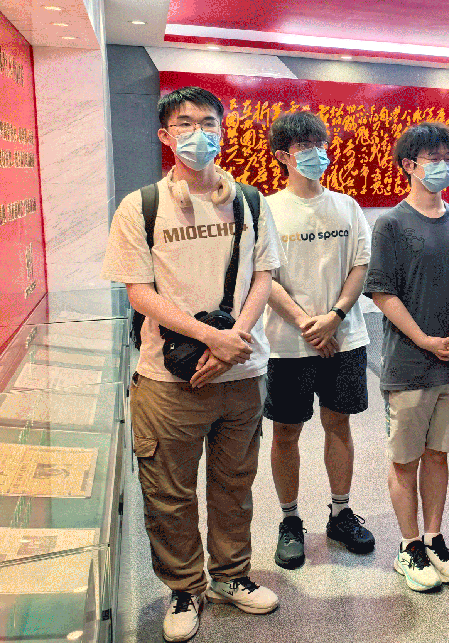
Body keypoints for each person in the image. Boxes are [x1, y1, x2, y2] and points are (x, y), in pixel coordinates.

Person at [102, 86, 282, 642]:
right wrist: (210, 338)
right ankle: (184, 587)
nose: (198, 133)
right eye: (185, 123)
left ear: (222, 132)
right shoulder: (141, 206)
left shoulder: (249, 202)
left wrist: (234, 340)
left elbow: (263, 276)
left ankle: (231, 575)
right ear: (165, 135)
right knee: (169, 491)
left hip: (241, 373)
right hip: (168, 378)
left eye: (208, 123)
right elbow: (139, 292)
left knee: (235, 484)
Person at [363, 122, 449, 593]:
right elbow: (382, 292)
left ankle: (434, 538)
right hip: (410, 365)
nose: (443, 166)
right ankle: (408, 546)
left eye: (447, 158)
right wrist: (424, 339)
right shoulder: (392, 224)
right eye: (432, 158)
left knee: (439, 455)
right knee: (405, 459)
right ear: (409, 165)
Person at [262, 111, 374, 571]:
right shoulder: (268, 209)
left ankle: (341, 513)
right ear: (283, 156)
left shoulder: (347, 206)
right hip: (288, 343)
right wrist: (308, 324)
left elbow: (360, 266)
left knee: (339, 425)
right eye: (304, 148)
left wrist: (335, 317)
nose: (316, 154)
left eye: (319, 145)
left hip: (344, 337)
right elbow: (263, 277)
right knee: (285, 431)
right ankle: (290, 520)